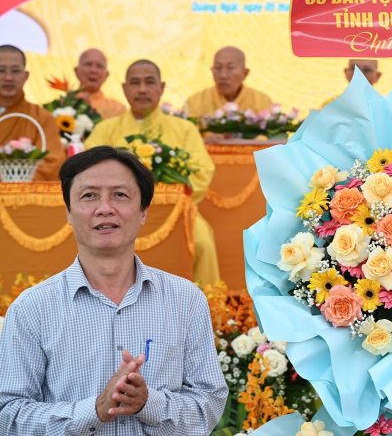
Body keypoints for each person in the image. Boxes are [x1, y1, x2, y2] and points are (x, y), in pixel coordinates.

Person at [0, 146, 227, 436]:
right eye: (89, 195)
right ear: (68, 212)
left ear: (143, 211)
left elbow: (209, 405)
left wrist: (148, 404)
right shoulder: (32, 308)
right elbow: (8, 419)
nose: (105, 208)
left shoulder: (186, 300)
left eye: (120, 194)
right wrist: (94, 410)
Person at [84, 60, 220, 284]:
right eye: (135, 83)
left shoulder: (184, 129)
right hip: (114, 213)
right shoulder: (104, 130)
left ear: (162, 87)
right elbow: (88, 175)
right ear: (124, 88)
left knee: (202, 242)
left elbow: (202, 173)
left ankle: (206, 302)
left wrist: (163, 198)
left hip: (176, 212)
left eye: (149, 82)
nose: (142, 89)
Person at [0, 44, 66, 180]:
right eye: (1, 70)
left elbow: (53, 164)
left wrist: (11, 179)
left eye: (15, 71)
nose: (8, 77)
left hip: (25, 192)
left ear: (26, 76)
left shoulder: (41, 117)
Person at [185, 46, 272, 118]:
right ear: (212, 70)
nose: (223, 75)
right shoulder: (195, 102)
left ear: (245, 73)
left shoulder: (261, 101)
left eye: (230, 68)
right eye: (218, 67)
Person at [75, 48, 127, 119]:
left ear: (106, 75)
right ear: (76, 71)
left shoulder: (118, 109)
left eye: (99, 66)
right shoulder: (63, 104)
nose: (93, 70)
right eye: (88, 64)